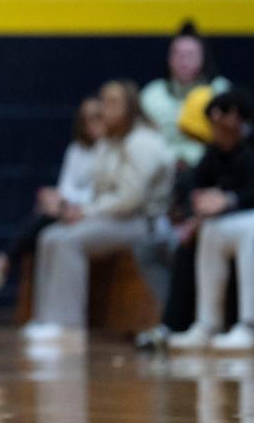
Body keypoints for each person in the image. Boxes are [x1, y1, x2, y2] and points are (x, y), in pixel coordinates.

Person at [22, 80, 174, 353]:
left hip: (143, 223)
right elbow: (96, 190)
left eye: (114, 103)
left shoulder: (143, 143)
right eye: (103, 102)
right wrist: (71, 206)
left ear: (131, 108)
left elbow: (130, 200)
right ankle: (46, 318)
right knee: (50, 236)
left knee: (70, 241)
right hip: (112, 218)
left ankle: (68, 324)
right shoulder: (107, 142)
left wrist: (86, 212)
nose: (106, 109)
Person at [0, 96, 103, 292]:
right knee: (45, 220)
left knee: (48, 224)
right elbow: (66, 186)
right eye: (86, 119)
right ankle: (5, 271)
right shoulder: (76, 149)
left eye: (97, 118)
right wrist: (58, 199)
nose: (92, 124)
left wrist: (64, 203)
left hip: (93, 213)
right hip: (71, 210)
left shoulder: (110, 150)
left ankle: (1, 264)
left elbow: (102, 191)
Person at [167, 89, 254, 351]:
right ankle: (208, 324)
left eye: (222, 117)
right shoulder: (213, 151)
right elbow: (195, 184)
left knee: (251, 229)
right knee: (209, 230)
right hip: (225, 223)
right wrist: (197, 208)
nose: (216, 127)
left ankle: (249, 324)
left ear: (237, 117)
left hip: (249, 220)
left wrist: (229, 200)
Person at [141, 22, 229, 168]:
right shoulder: (151, 95)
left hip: (209, 167)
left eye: (190, 55)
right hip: (161, 169)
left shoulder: (221, 92)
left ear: (203, 58)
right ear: (169, 58)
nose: (184, 61)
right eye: (179, 54)